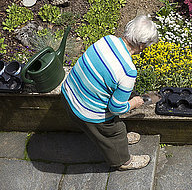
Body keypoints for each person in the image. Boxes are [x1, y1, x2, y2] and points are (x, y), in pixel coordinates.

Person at [61, 15, 159, 170]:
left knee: (108, 130)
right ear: (142, 45)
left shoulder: (107, 40)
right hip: (85, 111)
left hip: (68, 94)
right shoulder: (127, 71)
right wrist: (134, 103)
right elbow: (116, 108)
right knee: (115, 130)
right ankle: (122, 161)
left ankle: (115, 141)